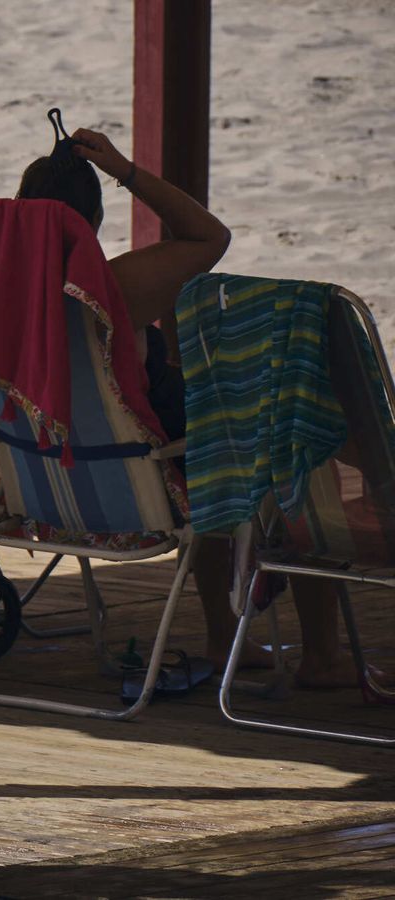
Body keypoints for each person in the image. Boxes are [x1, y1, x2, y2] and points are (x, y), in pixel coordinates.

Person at [20, 126, 367, 689]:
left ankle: (225, 635)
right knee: (301, 446)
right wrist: (127, 171)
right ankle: (322, 657)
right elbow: (210, 236)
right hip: (151, 483)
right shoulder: (113, 288)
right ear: (91, 220)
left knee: (205, 445)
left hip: (58, 486)